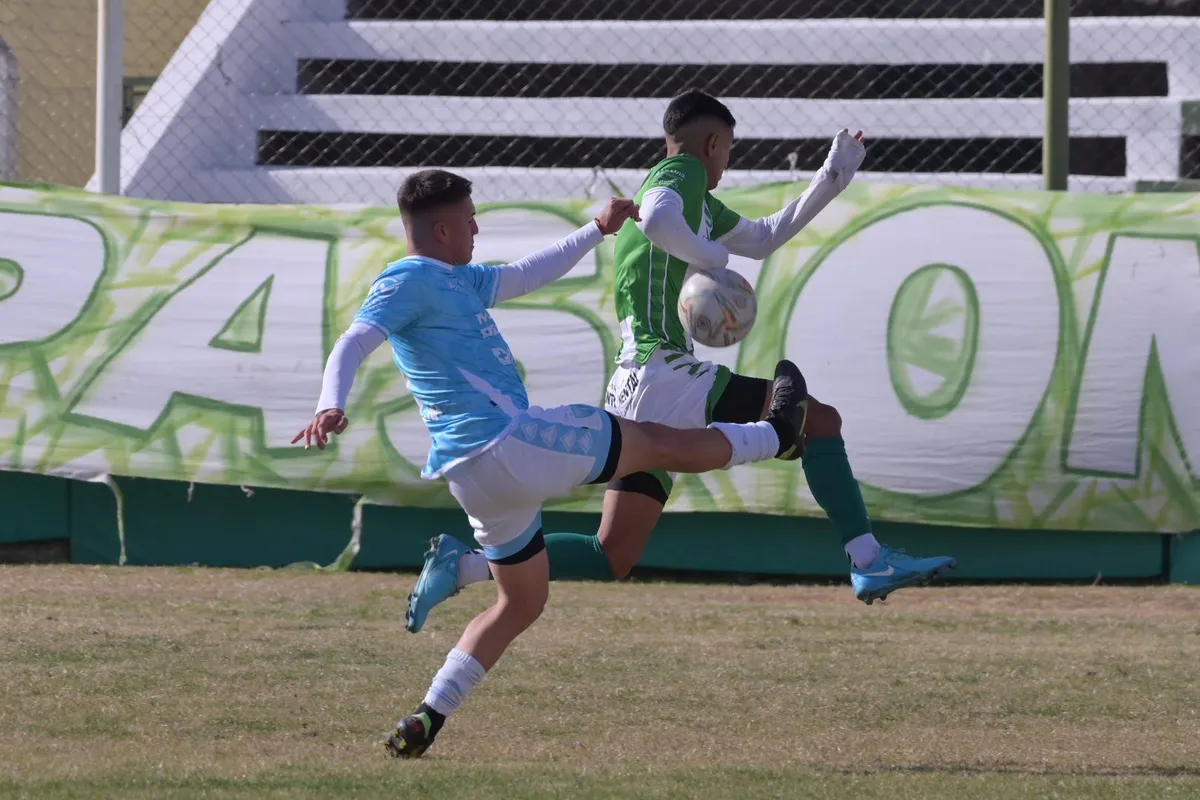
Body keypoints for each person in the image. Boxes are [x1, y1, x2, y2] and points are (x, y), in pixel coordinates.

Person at [292, 168, 811, 758]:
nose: (476, 229)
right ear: (440, 230)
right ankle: (774, 434)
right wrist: (330, 404)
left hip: (475, 478)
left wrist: (595, 229)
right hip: (508, 443)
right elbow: (352, 341)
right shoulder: (409, 279)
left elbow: (523, 275)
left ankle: (428, 717)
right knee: (653, 443)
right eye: (468, 221)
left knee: (523, 601)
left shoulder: (453, 280)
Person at [405, 92, 955, 633]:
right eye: (729, 150)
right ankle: (868, 559)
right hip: (664, 371)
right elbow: (660, 221)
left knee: (611, 554)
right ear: (711, 143)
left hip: (633, 381)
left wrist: (832, 176)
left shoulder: (693, 198)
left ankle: (465, 566)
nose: (726, 163)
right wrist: (712, 260)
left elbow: (762, 239)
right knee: (818, 420)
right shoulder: (680, 176)